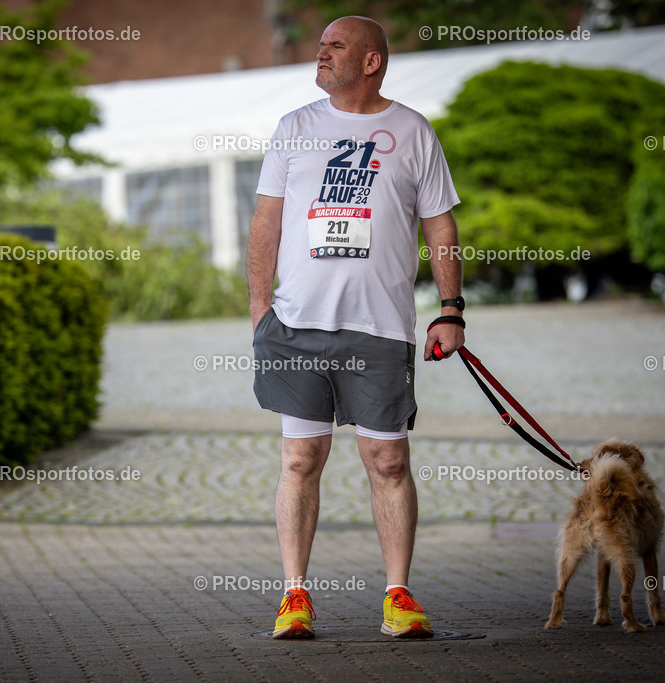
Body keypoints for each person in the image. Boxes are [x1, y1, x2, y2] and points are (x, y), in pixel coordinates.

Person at [247, 15, 465, 639]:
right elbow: (266, 223)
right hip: (296, 326)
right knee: (300, 458)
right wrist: (261, 311)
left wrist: (451, 311)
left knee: (389, 462)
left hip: (379, 327)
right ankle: (295, 598)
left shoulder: (413, 131)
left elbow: (440, 228)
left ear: (371, 62)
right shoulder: (295, 128)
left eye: (334, 46)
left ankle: (398, 596)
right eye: (320, 46)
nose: (320, 54)